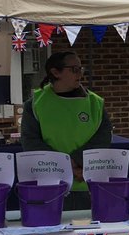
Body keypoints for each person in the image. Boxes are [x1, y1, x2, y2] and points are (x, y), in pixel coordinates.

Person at [21, 51, 113, 209]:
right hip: (50, 184)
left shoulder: (95, 103)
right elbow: (30, 141)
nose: (80, 74)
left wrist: (77, 161)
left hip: (86, 183)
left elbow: (103, 138)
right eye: (74, 69)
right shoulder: (36, 103)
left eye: (80, 69)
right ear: (55, 72)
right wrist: (64, 165)